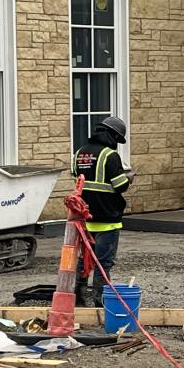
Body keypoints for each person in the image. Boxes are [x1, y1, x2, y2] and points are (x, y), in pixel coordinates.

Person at [74, 116, 133, 307]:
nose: (117, 144)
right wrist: (129, 177)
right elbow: (120, 185)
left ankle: (79, 297)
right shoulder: (110, 156)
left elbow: (78, 178)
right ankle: (100, 301)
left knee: (84, 260)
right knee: (103, 262)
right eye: (117, 139)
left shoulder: (80, 153)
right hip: (107, 218)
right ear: (112, 135)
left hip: (84, 217)